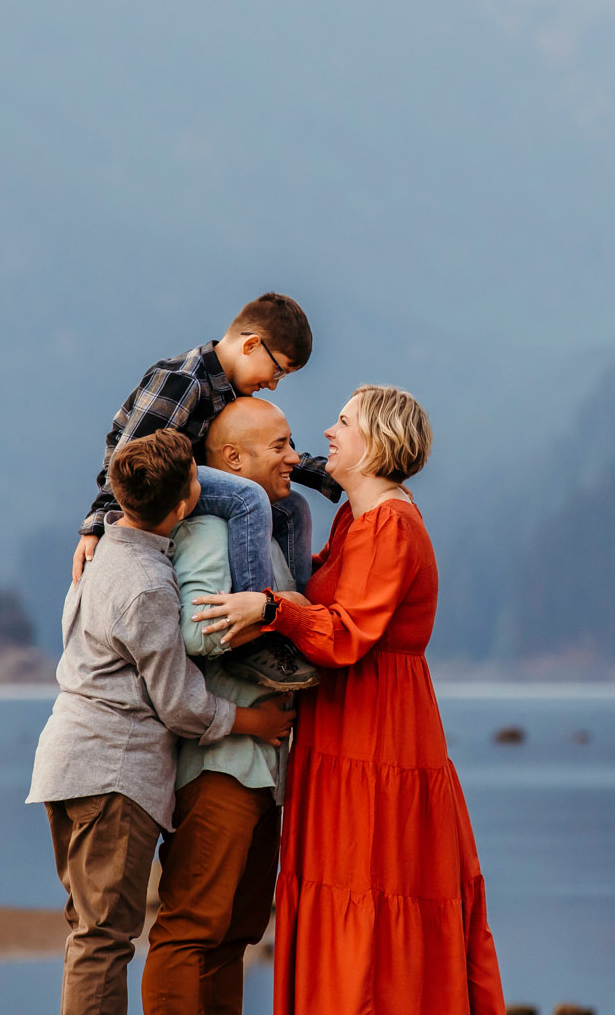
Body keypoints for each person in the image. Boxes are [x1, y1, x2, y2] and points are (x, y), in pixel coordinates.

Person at [191, 385, 505, 1015]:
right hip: (345, 723)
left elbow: (345, 633)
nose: (329, 433)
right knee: (345, 882)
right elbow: (326, 601)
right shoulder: (356, 517)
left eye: (343, 422)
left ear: (377, 443)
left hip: (378, 727)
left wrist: (273, 607)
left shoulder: (391, 522)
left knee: (370, 880)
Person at [27, 430, 240, 1015]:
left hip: (65, 763)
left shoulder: (98, 555)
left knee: (88, 928)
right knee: (104, 939)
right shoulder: (148, 585)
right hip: (113, 774)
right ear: (182, 506)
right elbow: (180, 703)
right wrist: (249, 719)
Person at [144, 397, 312, 1015]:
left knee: (236, 933)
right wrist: (269, 627)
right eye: (279, 446)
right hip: (218, 766)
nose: (293, 457)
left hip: (263, 770)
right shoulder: (213, 531)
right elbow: (193, 632)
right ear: (233, 459)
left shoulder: (265, 531)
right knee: (191, 928)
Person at [73, 292, 332, 691]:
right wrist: (98, 520)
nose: (274, 385)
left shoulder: (238, 391)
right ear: (250, 345)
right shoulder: (183, 379)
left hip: (201, 481)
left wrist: (341, 474)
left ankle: (295, 623)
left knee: (293, 508)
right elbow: (129, 456)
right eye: (277, 371)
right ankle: (256, 633)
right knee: (250, 497)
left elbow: (277, 454)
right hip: (169, 482)